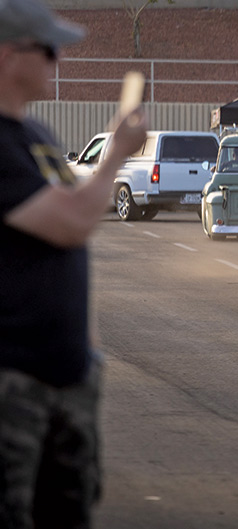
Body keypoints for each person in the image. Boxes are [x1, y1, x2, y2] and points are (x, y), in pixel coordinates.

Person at [1, 1, 149, 527]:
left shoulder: (36, 136)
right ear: (7, 54)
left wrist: (90, 354)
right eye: (48, 49)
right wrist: (115, 156)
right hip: (13, 380)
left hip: (66, 377)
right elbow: (70, 223)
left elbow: (70, 239)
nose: (57, 59)